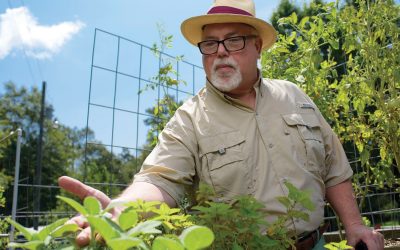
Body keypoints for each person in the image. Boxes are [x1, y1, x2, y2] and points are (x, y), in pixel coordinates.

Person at [59, 0, 384, 249]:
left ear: (257, 46)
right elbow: (160, 180)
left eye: (234, 41)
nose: (220, 53)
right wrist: (124, 208)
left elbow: (333, 168)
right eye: (210, 44)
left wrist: (354, 226)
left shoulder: (294, 96)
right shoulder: (189, 119)